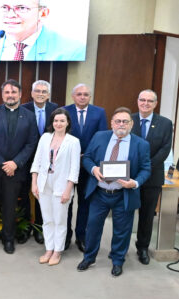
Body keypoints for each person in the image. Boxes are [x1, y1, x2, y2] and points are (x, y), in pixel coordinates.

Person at [77, 107, 151, 277]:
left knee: (122, 231)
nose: (121, 124)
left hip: (123, 195)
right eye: (118, 121)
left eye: (125, 121)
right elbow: (87, 157)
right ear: (111, 123)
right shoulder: (99, 137)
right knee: (93, 227)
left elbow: (146, 169)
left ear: (131, 124)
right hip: (99, 193)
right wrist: (94, 169)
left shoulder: (141, 144)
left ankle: (118, 261)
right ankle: (89, 257)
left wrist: (135, 182)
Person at [0, 80, 38, 254]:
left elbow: (31, 142)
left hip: (15, 170)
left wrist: (15, 163)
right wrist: (1, 163)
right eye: (7, 92)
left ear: (20, 94)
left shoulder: (29, 115)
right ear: (2, 95)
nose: (10, 95)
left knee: (10, 205)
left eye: (14, 92)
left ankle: (8, 238)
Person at [30, 108, 80, 266]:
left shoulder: (73, 141)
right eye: (56, 121)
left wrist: (68, 189)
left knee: (60, 220)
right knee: (47, 219)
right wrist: (34, 182)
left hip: (61, 185)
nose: (58, 123)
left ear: (67, 123)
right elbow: (37, 160)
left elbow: (74, 169)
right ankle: (49, 249)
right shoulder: (45, 138)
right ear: (52, 122)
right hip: (44, 183)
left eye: (62, 121)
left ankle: (57, 251)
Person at [63, 83, 108, 251]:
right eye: (79, 94)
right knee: (66, 201)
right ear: (73, 96)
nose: (83, 97)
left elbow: (102, 137)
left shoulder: (99, 112)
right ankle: (65, 236)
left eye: (86, 94)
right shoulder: (64, 111)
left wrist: (87, 156)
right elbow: (60, 134)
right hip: (67, 165)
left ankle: (81, 236)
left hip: (89, 166)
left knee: (85, 202)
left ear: (90, 97)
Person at [131, 90, 172, 265]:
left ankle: (142, 247)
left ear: (155, 104)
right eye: (142, 100)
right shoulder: (128, 119)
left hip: (152, 177)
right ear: (137, 101)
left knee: (147, 215)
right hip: (129, 176)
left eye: (150, 101)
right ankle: (120, 248)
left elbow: (165, 149)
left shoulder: (165, 123)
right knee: (124, 214)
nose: (145, 103)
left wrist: (146, 168)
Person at [19, 80, 59, 245]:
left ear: (48, 94)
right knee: (24, 194)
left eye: (44, 91)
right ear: (32, 93)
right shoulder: (23, 109)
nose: (41, 94)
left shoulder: (56, 110)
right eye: (38, 91)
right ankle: (24, 227)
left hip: (47, 162)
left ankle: (40, 228)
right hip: (26, 159)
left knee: (44, 194)